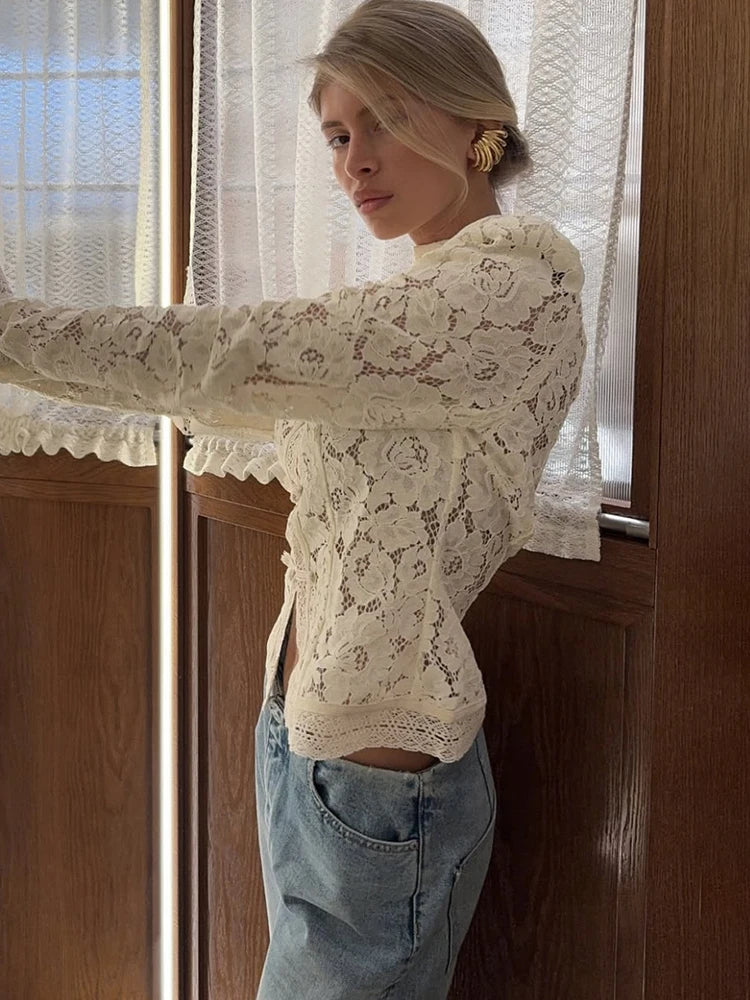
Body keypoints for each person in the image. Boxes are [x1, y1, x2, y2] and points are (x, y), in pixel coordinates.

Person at [0, 1, 587, 995]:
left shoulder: (507, 300)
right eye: (337, 134)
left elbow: (220, 352)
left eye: (385, 120)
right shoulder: (420, 306)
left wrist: (11, 327)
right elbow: (234, 398)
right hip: (310, 743)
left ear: (475, 118)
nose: (353, 159)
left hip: (384, 776)